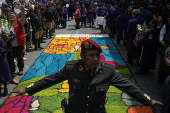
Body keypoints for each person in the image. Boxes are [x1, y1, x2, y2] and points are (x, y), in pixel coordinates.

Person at [11, 39, 163, 113]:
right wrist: (26, 90)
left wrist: (149, 100)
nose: (96, 59)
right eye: (91, 55)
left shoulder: (108, 70)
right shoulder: (71, 68)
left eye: (97, 55)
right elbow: (50, 79)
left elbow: (128, 87)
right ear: (82, 56)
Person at [158, 15, 170, 86]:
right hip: (166, 48)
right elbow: (161, 34)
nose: (169, 21)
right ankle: (161, 80)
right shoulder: (166, 26)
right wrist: (161, 40)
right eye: (168, 20)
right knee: (163, 64)